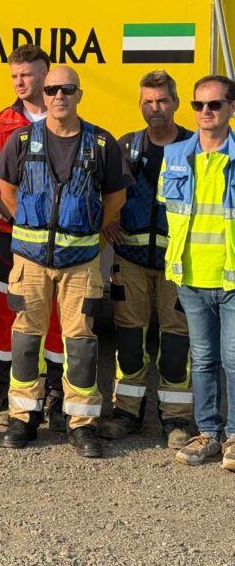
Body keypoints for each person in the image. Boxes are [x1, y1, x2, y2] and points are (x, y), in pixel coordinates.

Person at [0, 66, 130, 459]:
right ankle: (23, 416)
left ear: (79, 95)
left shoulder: (101, 144)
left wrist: (86, 229)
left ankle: (81, 422)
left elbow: (115, 200)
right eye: (52, 89)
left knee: (81, 342)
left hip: (81, 262)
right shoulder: (22, 140)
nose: (58, 96)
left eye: (66, 89)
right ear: (44, 93)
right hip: (30, 261)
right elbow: (6, 191)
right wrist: (34, 228)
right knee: (26, 340)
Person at [99, 70, 193, 448]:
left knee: (175, 343)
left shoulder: (194, 146)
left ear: (175, 102)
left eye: (163, 101)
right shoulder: (126, 147)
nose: (156, 108)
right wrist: (108, 220)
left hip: (179, 263)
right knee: (129, 340)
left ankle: (177, 420)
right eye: (148, 102)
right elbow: (104, 190)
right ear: (140, 105)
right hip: (132, 261)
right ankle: (126, 413)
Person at [0, 44, 67, 430]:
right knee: (10, 311)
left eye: (27, 75)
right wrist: (16, 216)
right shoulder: (2, 122)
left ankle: (57, 393)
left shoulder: (68, 119)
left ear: (46, 77)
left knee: (58, 315)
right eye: (15, 76)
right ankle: (7, 393)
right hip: (11, 236)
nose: (19, 82)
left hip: (60, 240)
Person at [158, 75, 235, 470]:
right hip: (190, 277)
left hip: (231, 276)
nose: (205, 112)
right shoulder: (175, 156)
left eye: (215, 105)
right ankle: (209, 433)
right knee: (203, 360)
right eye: (199, 105)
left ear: (230, 109)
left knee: (234, 360)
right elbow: (171, 215)